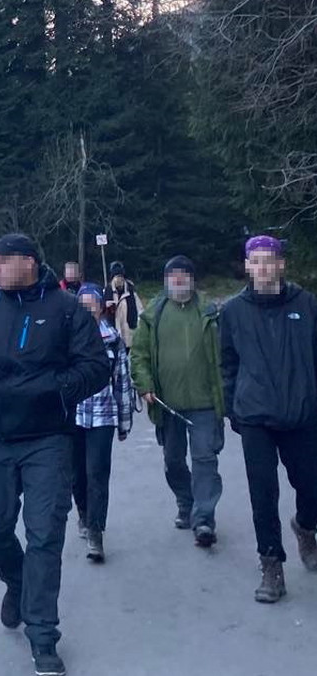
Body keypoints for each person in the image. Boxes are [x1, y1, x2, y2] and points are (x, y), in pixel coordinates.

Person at [0, 234, 109, 676]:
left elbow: (97, 366)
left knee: (44, 536)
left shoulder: (66, 310)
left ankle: (43, 636)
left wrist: (52, 388)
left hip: (48, 439)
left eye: (2, 260)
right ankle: (16, 582)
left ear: (28, 262)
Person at [220, 235, 317, 603]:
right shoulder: (232, 312)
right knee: (264, 494)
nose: (262, 268)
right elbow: (227, 364)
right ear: (247, 266)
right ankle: (271, 565)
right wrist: (233, 409)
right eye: (255, 261)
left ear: (281, 265)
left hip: (302, 413)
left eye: (269, 260)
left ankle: (306, 526)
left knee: (311, 486)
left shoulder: (306, 304)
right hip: (255, 417)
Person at [130, 255, 225, 547]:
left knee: (205, 460)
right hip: (166, 403)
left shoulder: (210, 312)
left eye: (184, 274)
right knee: (173, 461)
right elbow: (139, 355)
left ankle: (204, 519)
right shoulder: (153, 315)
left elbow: (227, 354)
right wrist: (144, 384)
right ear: (166, 279)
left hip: (205, 403)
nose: (179, 279)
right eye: (174, 275)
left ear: (193, 279)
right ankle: (186, 503)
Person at [71, 284, 136, 563]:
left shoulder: (112, 340)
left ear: (99, 307)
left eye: (92, 304)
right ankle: (84, 514)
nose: (87, 309)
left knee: (97, 473)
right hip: (72, 417)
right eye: (81, 304)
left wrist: (124, 422)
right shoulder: (65, 340)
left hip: (103, 415)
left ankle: (96, 533)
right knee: (76, 474)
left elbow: (122, 383)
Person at [104, 261, 143, 348]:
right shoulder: (108, 291)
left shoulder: (130, 291)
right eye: (117, 277)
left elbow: (139, 310)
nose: (119, 279)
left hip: (129, 330)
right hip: (113, 329)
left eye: (121, 277)